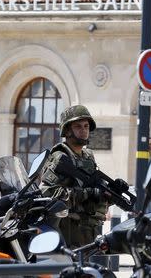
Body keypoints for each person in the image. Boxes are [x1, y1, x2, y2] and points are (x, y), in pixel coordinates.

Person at [39, 105, 110, 248]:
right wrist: (85, 194)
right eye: (78, 127)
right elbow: (47, 193)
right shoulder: (60, 157)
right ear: (67, 131)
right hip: (67, 230)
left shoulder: (88, 156)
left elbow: (94, 188)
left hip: (88, 229)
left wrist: (107, 194)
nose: (84, 131)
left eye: (86, 126)